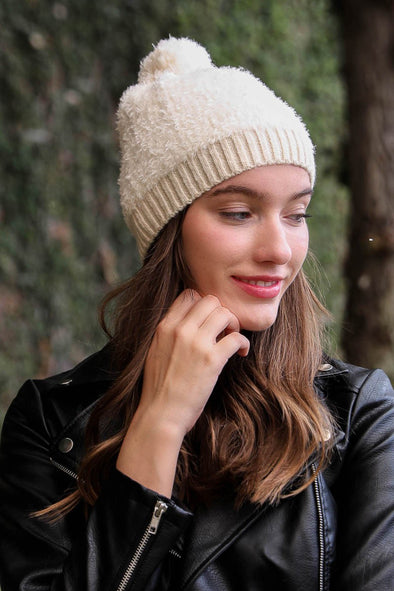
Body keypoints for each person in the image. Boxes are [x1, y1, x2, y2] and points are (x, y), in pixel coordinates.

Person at [0, 36, 393, 591]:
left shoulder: (356, 413)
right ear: (168, 233)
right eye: (239, 212)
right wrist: (158, 425)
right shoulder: (50, 421)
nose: (280, 250)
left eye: (297, 213)